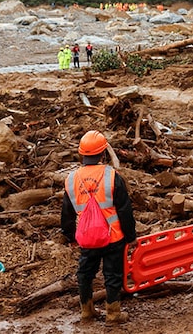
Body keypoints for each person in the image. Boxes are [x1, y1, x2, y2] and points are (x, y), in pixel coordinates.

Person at [61, 130, 137, 324]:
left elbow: (66, 214)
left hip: (87, 238)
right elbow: (125, 210)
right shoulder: (112, 176)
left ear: (82, 154)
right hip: (113, 238)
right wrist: (131, 237)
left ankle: (86, 311)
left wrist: (70, 237)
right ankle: (113, 314)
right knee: (112, 275)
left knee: (85, 274)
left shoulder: (71, 180)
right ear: (103, 153)